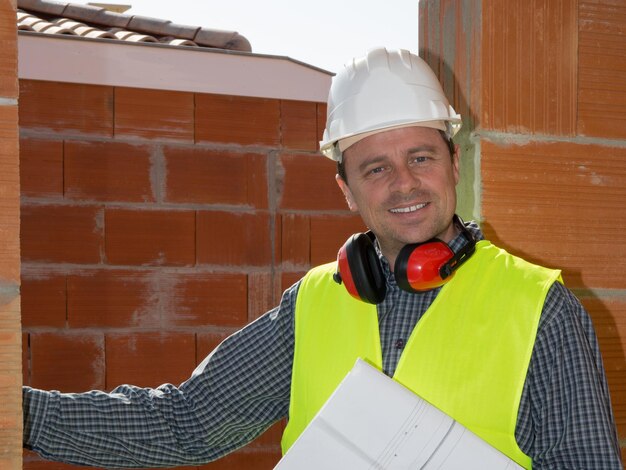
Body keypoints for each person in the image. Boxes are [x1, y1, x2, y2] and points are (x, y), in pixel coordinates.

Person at [23, 48, 622, 469]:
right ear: (346, 189)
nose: (404, 184)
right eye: (376, 168)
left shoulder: (540, 308)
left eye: (421, 158)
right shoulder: (313, 303)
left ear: (453, 165)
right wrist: (16, 414)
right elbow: (186, 423)